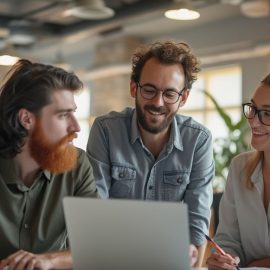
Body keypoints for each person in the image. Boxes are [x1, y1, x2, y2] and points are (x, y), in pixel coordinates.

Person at [87, 41, 214, 266]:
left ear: (183, 98)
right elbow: (96, 213)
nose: (157, 102)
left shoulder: (198, 141)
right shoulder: (106, 130)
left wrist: (191, 255)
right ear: (134, 88)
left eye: (169, 94)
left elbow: (197, 221)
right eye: (149, 90)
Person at [0, 59, 98, 270]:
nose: (75, 127)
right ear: (27, 119)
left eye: (74, 112)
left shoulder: (78, 165)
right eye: (63, 115)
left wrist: (48, 260)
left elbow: (93, 247)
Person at [206, 73, 270, 269]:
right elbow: (228, 240)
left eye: (267, 113)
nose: (252, 120)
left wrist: (254, 265)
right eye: (253, 108)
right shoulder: (239, 168)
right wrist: (225, 259)